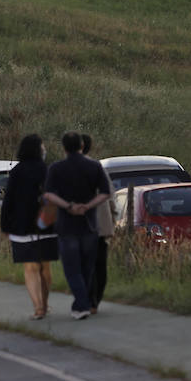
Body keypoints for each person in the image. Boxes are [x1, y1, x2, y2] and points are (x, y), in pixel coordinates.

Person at [40, 131, 111, 320]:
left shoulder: (56, 168)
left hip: (66, 224)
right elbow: (105, 192)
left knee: (72, 268)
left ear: (63, 148)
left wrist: (68, 206)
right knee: (87, 267)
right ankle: (83, 303)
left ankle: (82, 304)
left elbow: (48, 194)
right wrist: (88, 206)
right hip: (89, 223)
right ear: (81, 146)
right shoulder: (94, 166)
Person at [0, 133, 57, 320]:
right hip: (46, 225)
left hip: (21, 227)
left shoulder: (16, 172)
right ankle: (46, 304)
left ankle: (38, 308)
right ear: (39, 150)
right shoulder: (47, 170)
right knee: (45, 267)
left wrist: (5, 225)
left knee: (30, 268)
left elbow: (8, 201)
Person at [81, 133, 115, 315]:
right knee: (99, 266)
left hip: (78, 227)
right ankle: (94, 300)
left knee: (83, 264)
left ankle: (87, 298)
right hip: (100, 227)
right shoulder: (98, 168)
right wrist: (113, 221)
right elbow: (111, 197)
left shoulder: (63, 168)